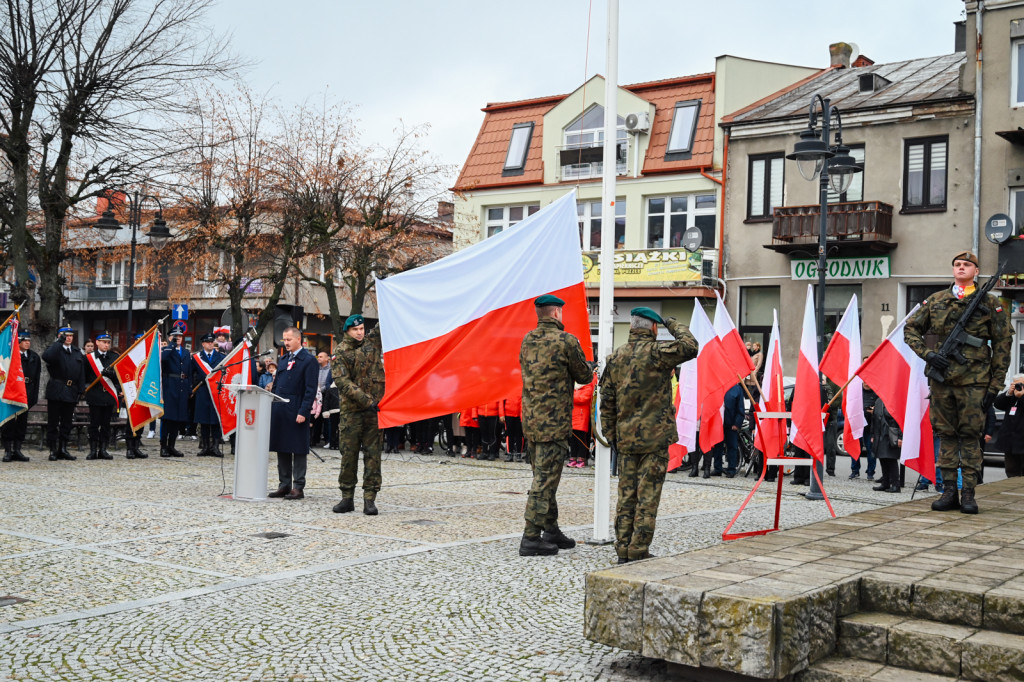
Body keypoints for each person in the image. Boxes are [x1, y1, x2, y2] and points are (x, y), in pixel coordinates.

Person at [905, 251, 1013, 515]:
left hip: (975, 383)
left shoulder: (990, 302)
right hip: (943, 382)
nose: (961, 268)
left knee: (970, 437)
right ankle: (949, 490)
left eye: (967, 265)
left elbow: (1002, 345)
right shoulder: (936, 300)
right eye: (957, 265)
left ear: (976, 271)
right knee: (946, 435)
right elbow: (910, 329)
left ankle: (968, 493)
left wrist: (994, 386)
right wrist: (928, 354)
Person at [600, 307, 698, 564]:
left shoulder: (615, 357)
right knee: (647, 496)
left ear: (632, 327)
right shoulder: (657, 353)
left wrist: (613, 436)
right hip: (654, 440)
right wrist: (673, 322)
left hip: (625, 440)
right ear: (653, 328)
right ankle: (638, 549)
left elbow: (606, 402)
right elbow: (690, 347)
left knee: (626, 496)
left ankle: (622, 549)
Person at [518, 294, 595, 557]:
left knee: (542, 477)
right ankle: (530, 538)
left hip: (531, 421)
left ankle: (551, 530)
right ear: (556, 314)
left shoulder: (527, 340)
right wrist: (591, 367)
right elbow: (583, 375)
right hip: (554, 424)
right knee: (544, 482)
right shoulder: (566, 341)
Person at [331, 314, 385, 515]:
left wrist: (386, 287)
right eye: (355, 329)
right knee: (349, 455)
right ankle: (347, 497)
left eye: (362, 328)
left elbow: (386, 319)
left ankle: (369, 499)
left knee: (373, 456)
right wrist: (367, 400)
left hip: (374, 413)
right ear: (347, 331)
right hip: (352, 413)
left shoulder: (372, 342)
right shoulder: (340, 352)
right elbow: (343, 382)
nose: (360, 332)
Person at [267, 327, 318, 500]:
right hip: (280, 409)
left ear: (298, 339)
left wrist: (304, 411)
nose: (286, 343)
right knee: (282, 447)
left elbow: (310, 390)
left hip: (297, 408)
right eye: (284, 340)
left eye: (289, 339)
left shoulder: (309, 361)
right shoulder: (283, 360)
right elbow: (276, 385)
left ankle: (298, 486)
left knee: (298, 448)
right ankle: (284, 484)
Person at [42, 326, 84, 461]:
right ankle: (53, 449)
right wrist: (58, 342)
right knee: (53, 422)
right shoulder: (54, 349)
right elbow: (47, 357)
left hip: (71, 390)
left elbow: (81, 372)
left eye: (71, 335)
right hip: (57, 388)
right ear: (59, 336)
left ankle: (63, 448)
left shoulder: (77, 352)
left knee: (67, 422)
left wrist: (81, 390)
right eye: (65, 335)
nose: (69, 337)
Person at [2, 330, 41, 462]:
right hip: (12, 393)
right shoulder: (11, 356)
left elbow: (37, 379)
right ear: (18, 342)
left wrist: (33, 397)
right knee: (9, 422)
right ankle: (7, 450)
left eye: (29, 341)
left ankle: (17, 449)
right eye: (25, 341)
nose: (28, 343)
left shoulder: (34, 357)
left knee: (22, 423)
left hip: (27, 392)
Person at [83, 332, 117, 460]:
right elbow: (84, 376)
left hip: (108, 394)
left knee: (106, 424)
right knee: (94, 424)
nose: (106, 345)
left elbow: (118, 378)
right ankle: (93, 450)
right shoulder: (89, 358)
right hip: (95, 394)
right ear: (97, 343)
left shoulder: (114, 357)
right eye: (104, 342)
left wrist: (111, 375)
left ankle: (103, 449)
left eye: (108, 342)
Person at [160, 323, 192, 458]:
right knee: (167, 418)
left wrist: (189, 386)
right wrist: (171, 345)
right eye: (175, 336)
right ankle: (163, 446)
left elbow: (189, 371)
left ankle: (172, 446)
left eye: (180, 336)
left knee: (177, 419)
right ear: (169, 338)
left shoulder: (185, 352)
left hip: (182, 387)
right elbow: (164, 359)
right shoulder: (166, 350)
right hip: (169, 386)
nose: (178, 338)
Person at [191, 333, 225, 458]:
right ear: (203, 344)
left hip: (216, 391)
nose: (210, 343)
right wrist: (193, 387)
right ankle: (205, 447)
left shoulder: (221, 357)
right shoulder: (196, 358)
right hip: (203, 391)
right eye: (208, 342)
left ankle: (215, 447)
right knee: (204, 420)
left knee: (216, 420)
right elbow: (192, 373)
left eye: (212, 341)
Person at [869, 397, 903, 493]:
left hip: (892, 434)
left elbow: (901, 420)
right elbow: (874, 419)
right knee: (882, 458)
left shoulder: (895, 400)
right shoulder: (878, 400)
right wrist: (872, 434)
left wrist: (900, 437)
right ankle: (885, 483)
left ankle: (896, 485)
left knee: (891, 459)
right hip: (880, 434)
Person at [713, 382, 745, 478]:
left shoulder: (737, 389)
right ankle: (717, 468)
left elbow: (740, 408)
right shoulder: (718, 386)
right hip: (718, 423)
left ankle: (731, 469)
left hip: (731, 424)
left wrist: (737, 423)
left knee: (732, 447)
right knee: (717, 446)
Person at [994, 376, 1024, 477]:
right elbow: (997, 404)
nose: (1018, 386)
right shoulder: (1011, 396)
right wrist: (1008, 393)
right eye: (1015, 384)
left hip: (1022, 440)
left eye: (1021, 384)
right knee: (1011, 469)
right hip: (1010, 441)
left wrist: (1021, 396)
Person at [310, 350, 333, 446]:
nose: (318, 358)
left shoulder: (331, 369)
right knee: (315, 417)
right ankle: (315, 439)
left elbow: (330, 383)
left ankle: (328, 439)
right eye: (318, 357)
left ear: (327, 358)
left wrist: (321, 389)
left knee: (326, 417)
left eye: (321, 357)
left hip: (326, 395)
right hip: (316, 396)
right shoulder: (316, 368)